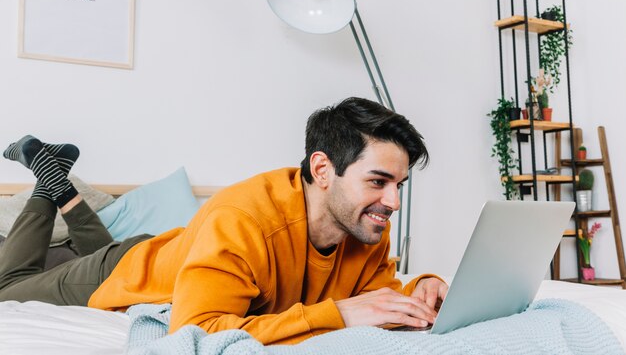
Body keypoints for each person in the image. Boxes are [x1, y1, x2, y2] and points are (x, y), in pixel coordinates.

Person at [0, 97, 447, 345]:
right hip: (120, 273)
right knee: (8, 288)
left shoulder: (365, 225)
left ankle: (55, 181)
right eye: (378, 181)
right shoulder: (243, 219)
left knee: (97, 247)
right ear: (324, 170)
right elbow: (198, 332)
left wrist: (420, 288)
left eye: (399, 185)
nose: (393, 202)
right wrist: (336, 316)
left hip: (176, 252)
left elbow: (378, 295)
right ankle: (47, 183)